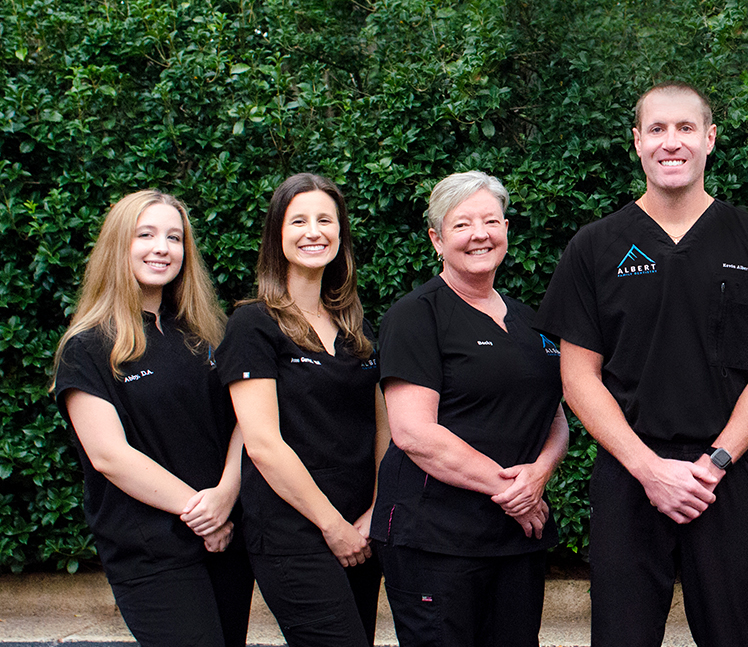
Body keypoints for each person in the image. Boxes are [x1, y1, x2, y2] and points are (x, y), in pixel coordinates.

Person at [536, 82, 748, 647]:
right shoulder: (593, 247)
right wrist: (648, 468)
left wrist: (713, 464)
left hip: (726, 478)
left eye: (686, 128)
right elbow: (577, 376)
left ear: (709, 139)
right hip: (628, 475)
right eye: (657, 129)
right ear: (636, 142)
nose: (672, 142)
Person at [369, 171, 568, 647]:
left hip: (517, 539)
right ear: (437, 239)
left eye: (491, 221)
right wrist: (514, 493)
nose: (479, 234)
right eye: (462, 225)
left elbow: (555, 417)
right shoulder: (415, 316)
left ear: (505, 230)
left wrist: (540, 473)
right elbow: (415, 433)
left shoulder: (530, 321)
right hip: (435, 538)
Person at [52, 190, 253, 647]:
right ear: (117, 246)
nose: (162, 247)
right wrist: (203, 513)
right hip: (152, 551)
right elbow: (109, 455)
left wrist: (225, 495)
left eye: (174, 237)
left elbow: (247, 419)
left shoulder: (207, 334)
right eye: (145, 235)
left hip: (226, 542)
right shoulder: (88, 347)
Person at [217, 173, 389, 647]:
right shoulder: (253, 324)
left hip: (361, 528)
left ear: (340, 234)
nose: (313, 231)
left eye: (325, 220)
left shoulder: (357, 326)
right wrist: (331, 526)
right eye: (299, 221)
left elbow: (383, 429)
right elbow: (264, 445)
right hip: (293, 531)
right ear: (278, 235)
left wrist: (374, 512)